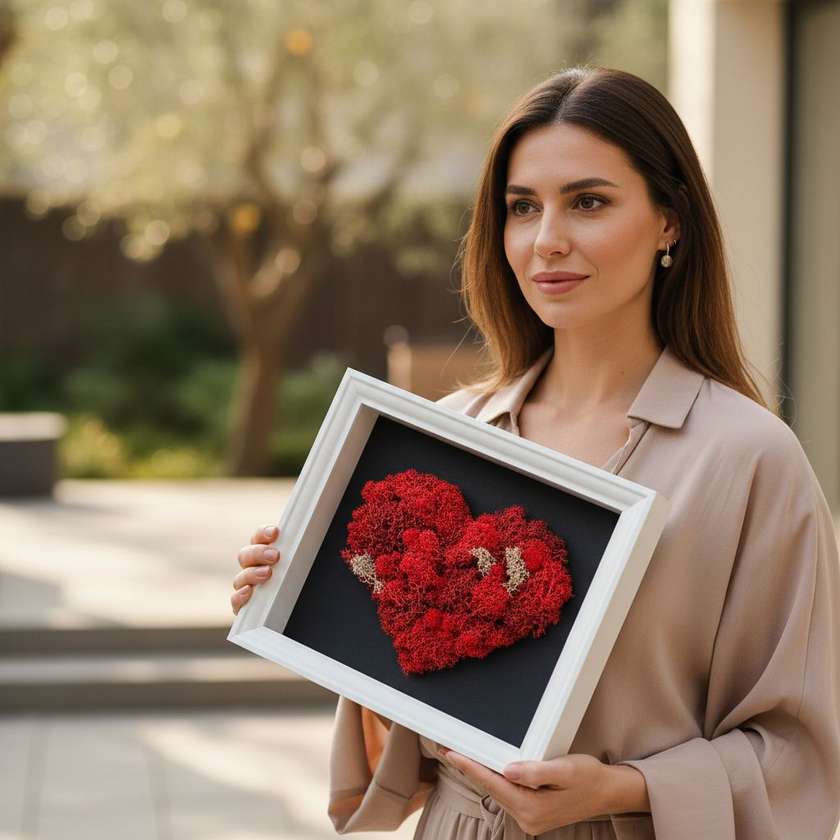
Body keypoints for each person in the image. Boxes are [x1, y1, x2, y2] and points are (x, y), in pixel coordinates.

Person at [230, 66, 840, 839]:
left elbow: (798, 754)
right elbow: (421, 721)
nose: (547, 240)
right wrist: (311, 600)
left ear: (670, 222)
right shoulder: (446, 435)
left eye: (588, 202)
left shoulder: (751, 461)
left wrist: (622, 788)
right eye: (523, 208)